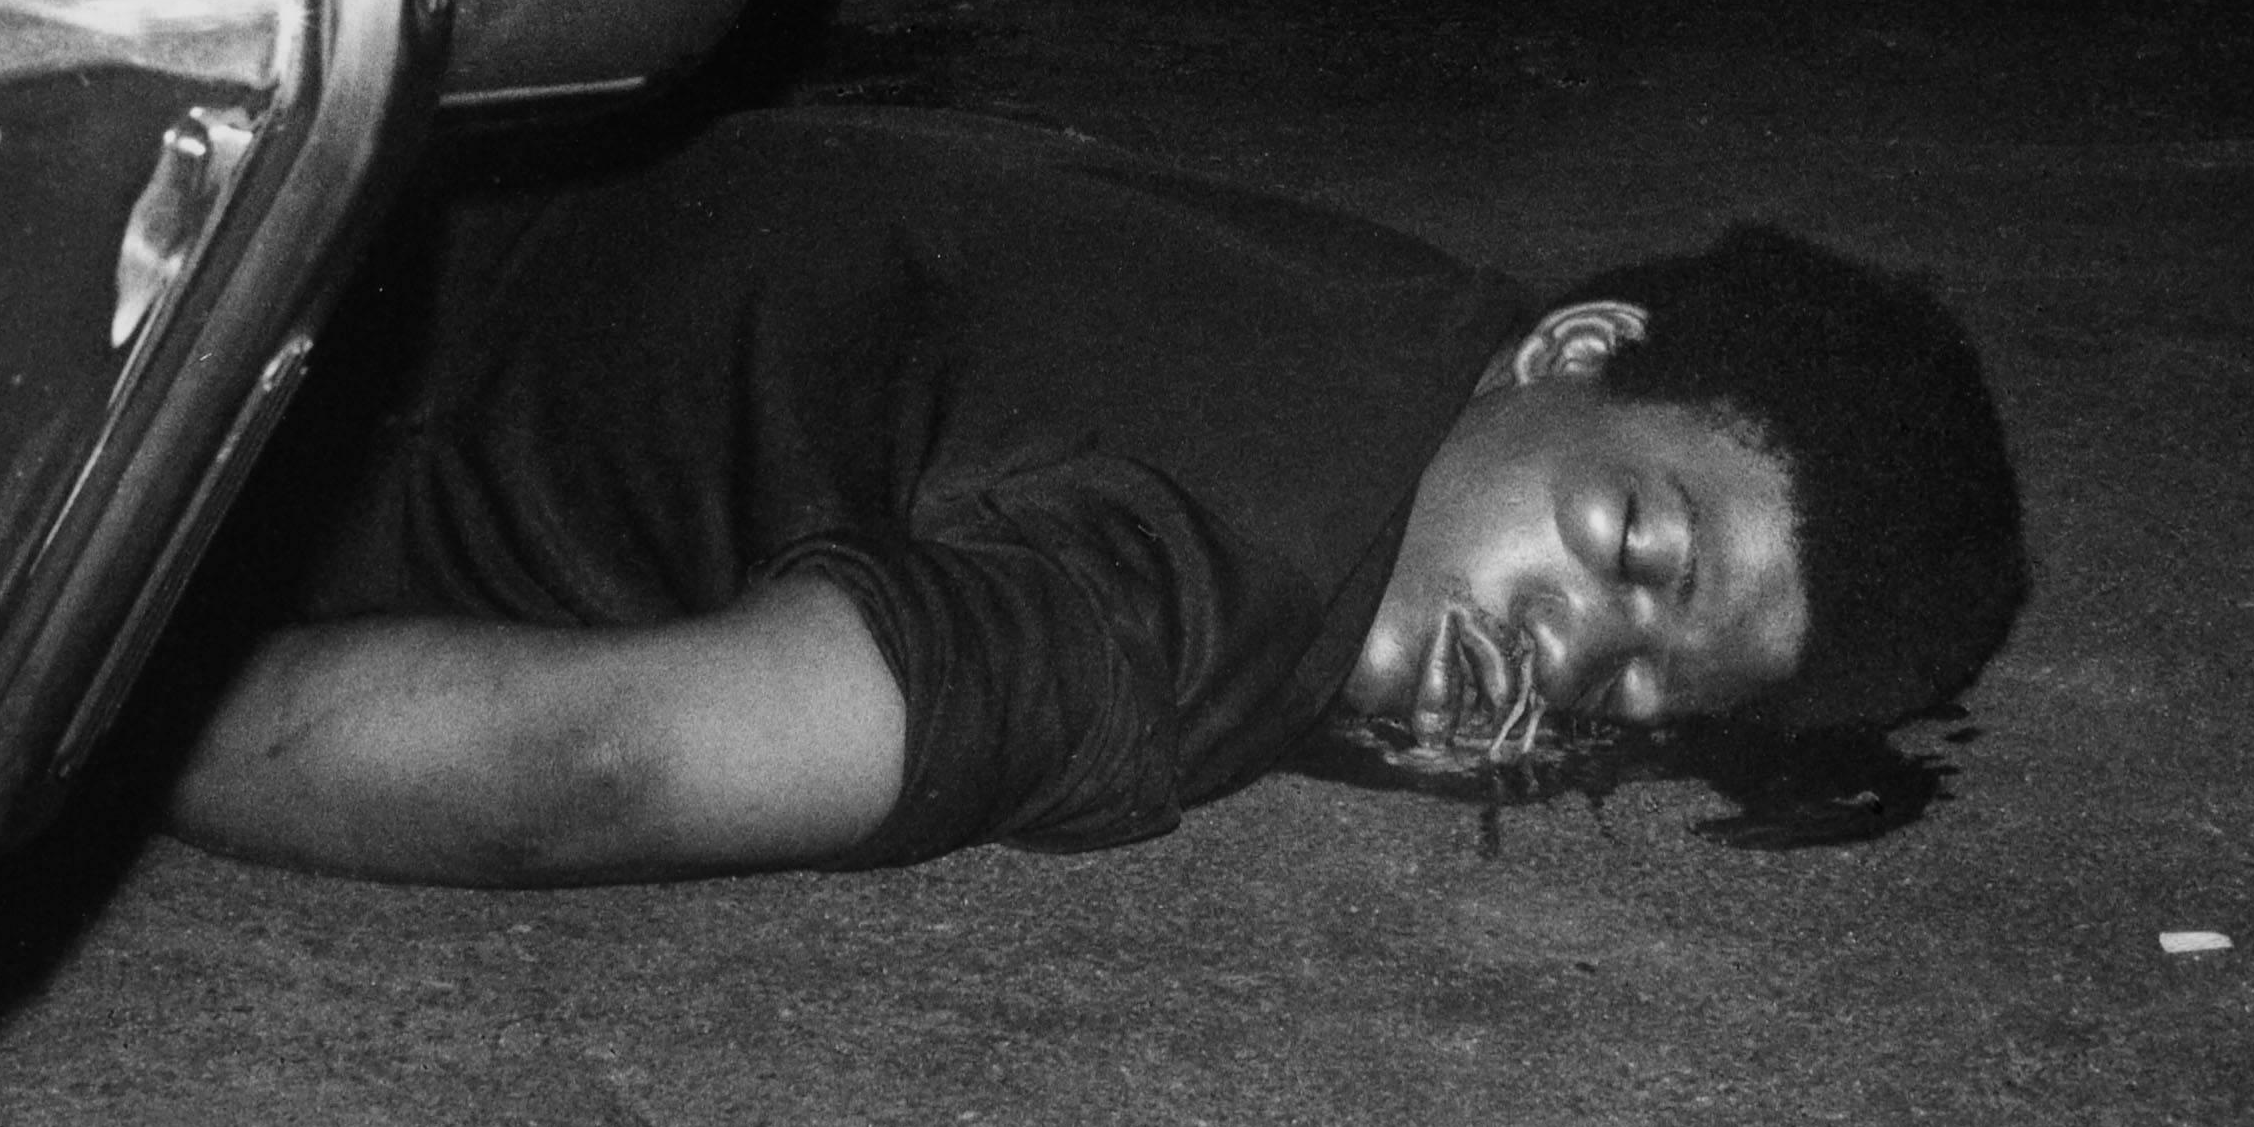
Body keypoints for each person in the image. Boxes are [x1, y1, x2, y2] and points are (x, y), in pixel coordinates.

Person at [166, 105, 2028, 883]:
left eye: (1634, 689)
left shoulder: (1414, 326)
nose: (1559, 652)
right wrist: (58, 757)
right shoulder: (1182, 612)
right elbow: (593, 768)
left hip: (352, 167)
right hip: (196, 426)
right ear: (1575, 352)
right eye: (1632, 548)